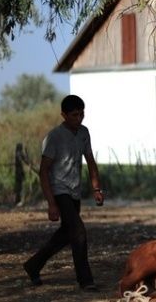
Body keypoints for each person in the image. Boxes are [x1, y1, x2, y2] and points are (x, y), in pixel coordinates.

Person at [23, 95, 103, 291]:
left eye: (82, 114)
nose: (79, 118)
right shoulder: (54, 137)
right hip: (59, 191)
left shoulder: (84, 133)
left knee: (65, 235)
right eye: (75, 115)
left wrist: (96, 188)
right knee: (78, 231)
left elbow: (90, 161)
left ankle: (33, 265)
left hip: (75, 191)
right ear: (64, 115)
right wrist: (51, 203)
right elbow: (44, 171)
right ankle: (85, 280)